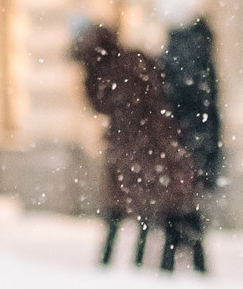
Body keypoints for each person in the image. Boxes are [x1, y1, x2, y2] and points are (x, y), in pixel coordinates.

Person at [70, 19, 206, 272]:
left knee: (141, 208)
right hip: (152, 146)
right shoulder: (129, 62)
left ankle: (132, 263)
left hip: (142, 149)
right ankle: (150, 263)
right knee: (157, 209)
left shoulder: (112, 70)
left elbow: (105, 105)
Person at [158, 0, 222, 204]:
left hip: (186, 134)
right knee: (188, 203)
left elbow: (183, 93)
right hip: (196, 133)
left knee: (182, 204)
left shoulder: (183, 49)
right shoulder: (200, 45)